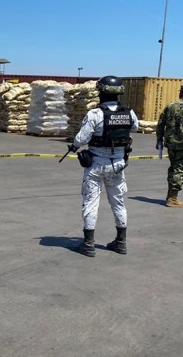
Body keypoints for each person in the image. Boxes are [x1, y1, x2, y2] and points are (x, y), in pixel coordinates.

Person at [69, 76, 139, 257]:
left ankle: (88, 244)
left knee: (91, 202)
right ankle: (121, 242)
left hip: (96, 165)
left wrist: (74, 147)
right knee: (118, 202)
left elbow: (81, 138)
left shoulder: (95, 114)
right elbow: (134, 128)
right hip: (118, 165)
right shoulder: (129, 113)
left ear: (101, 92)